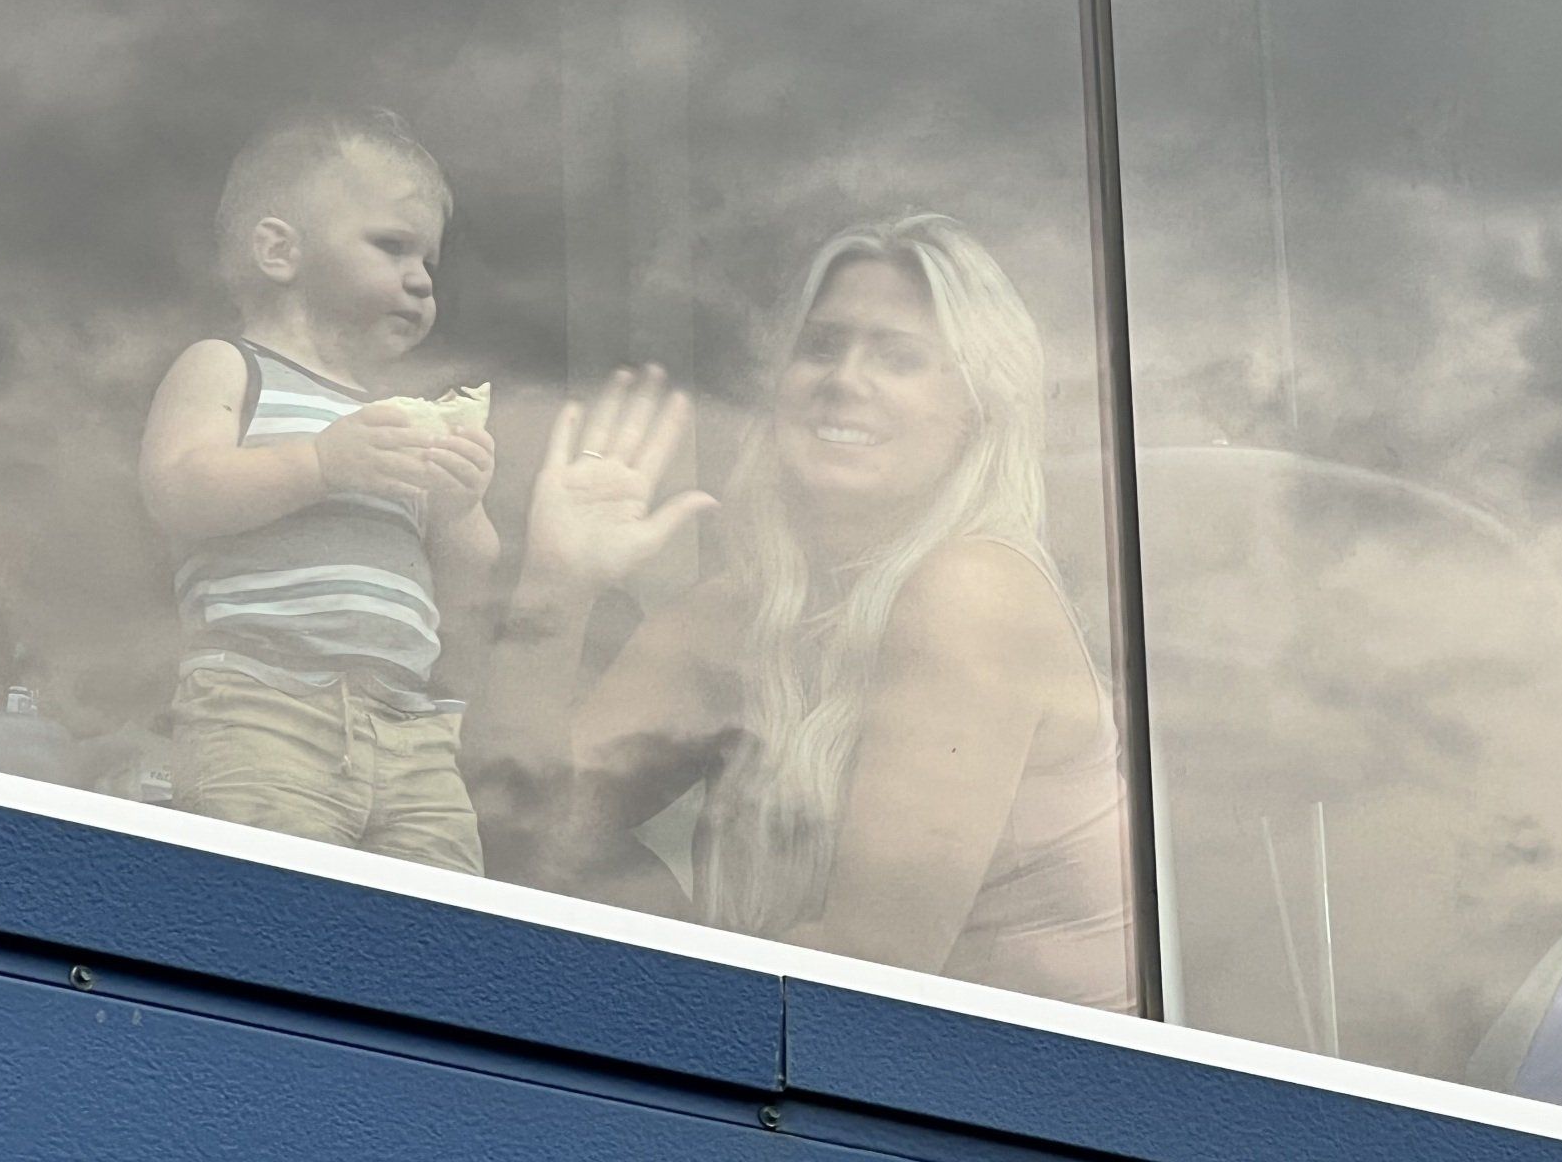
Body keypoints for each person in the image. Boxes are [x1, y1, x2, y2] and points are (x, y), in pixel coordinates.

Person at [484, 213, 1134, 1009]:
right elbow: (513, 836)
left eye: (898, 358)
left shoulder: (971, 592)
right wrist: (555, 586)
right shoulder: (739, 614)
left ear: (976, 411)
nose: (844, 378)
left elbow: (869, 972)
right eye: (821, 346)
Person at [140, 110, 497, 874]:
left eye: (429, 260)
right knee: (275, 918)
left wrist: (462, 508)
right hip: (263, 707)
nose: (422, 279)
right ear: (280, 251)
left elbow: (467, 591)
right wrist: (321, 465)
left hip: (414, 730)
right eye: (392, 245)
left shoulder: (396, 418)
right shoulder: (228, 366)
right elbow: (178, 489)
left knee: (439, 938)